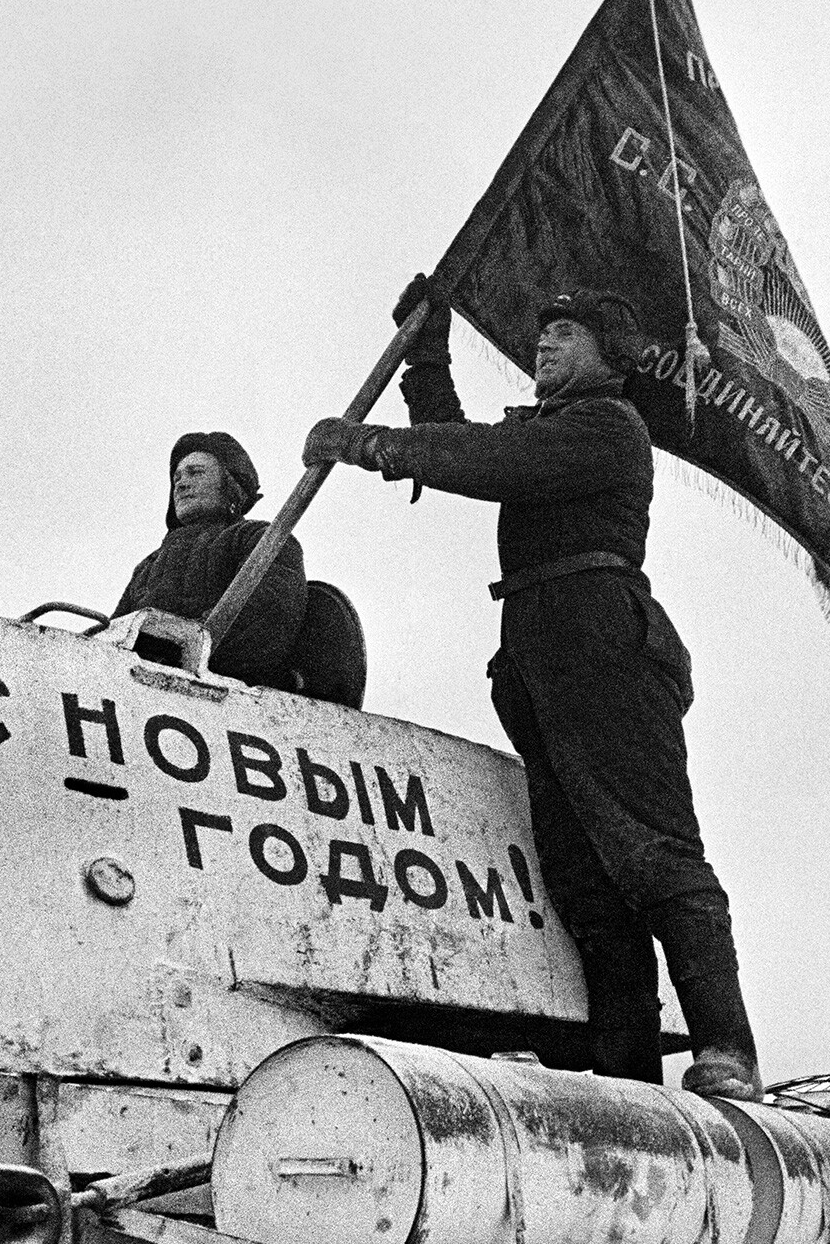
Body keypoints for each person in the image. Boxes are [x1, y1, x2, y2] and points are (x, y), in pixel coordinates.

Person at [302, 281, 763, 1101]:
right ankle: (628, 1078)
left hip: (606, 652)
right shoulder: (552, 429)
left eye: (567, 332)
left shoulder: (611, 428)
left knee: (655, 855)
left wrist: (369, 445)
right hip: (542, 661)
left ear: (608, 355)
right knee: (588, 886)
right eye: (545, 330)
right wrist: (428, 351)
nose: (545, 343)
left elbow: (482, 460)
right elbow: (463, 443)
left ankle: (728, 1048)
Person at [115, 431, 307, 689]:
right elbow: (114, 633)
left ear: (229, 486)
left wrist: (180, 650)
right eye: (177, 477)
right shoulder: (148, 566)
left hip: (225, 695)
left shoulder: (261, 540)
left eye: (195, 473)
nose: (181, 484)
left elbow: (265, 616)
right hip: (138, 690)